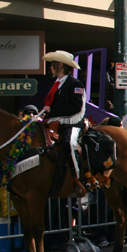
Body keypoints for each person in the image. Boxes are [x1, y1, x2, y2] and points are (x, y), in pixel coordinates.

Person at [41, 50, 86, 197]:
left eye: (52, 64)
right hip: (55, 121)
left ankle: (77, 179)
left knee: (69, 144)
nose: (50, 67)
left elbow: (76, 107)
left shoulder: (75, 83)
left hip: (72, 123)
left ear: (60, 65)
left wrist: (52, 112)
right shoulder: (57, 84)